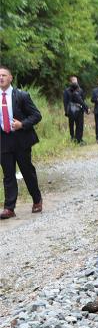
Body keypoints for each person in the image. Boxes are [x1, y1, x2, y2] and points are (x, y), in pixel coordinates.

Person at [0, 65, 43, 219]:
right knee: (8, 174)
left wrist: (22, 124)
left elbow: (37, 115)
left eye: (4, 75)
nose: (1, 77)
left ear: (10, 78)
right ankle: (9, 208)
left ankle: (37, 200)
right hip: (3, 140)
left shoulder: (21, 96)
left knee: (27, 171)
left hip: (21, 139)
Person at [63, 76, 87, 144]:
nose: (75, 83)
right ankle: (72, 137)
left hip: (79, 110)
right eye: (74, 82)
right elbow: (65, 102)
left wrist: (84, 109)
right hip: (71, 110)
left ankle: (79, 139)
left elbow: (83, 100)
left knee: (80, 125)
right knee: (71, 125)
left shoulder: (80, 90)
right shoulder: (66, 91)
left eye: (76, 82)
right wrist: (66, 111)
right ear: (70, 82)